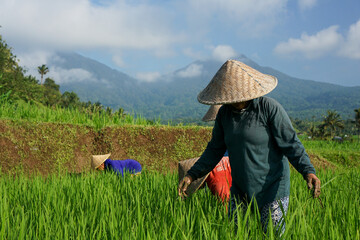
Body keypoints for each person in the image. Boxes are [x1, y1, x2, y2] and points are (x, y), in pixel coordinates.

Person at [178, 60, 321, 235]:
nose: (234, 101)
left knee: (271, 235)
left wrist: (308, 171)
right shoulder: (224, 114)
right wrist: (192, 174)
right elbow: (214, 149)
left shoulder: (268, 108)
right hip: (240, 188)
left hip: (272, 187)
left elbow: (291, 143)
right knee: (238, 234)